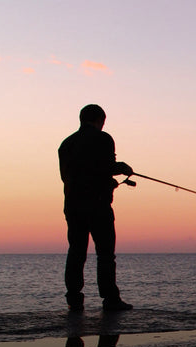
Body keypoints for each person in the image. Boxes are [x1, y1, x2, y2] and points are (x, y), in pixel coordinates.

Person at [58, 104, 134, 312]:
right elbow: (106, 168)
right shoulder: (104, 139)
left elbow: (67, 177)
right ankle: (110, 299)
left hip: (72, 207)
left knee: (76, 252)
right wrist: (123, 168)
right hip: (98, 205)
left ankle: (74, 298)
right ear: (101, 120)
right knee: (105, 254)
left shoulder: (66, 144)